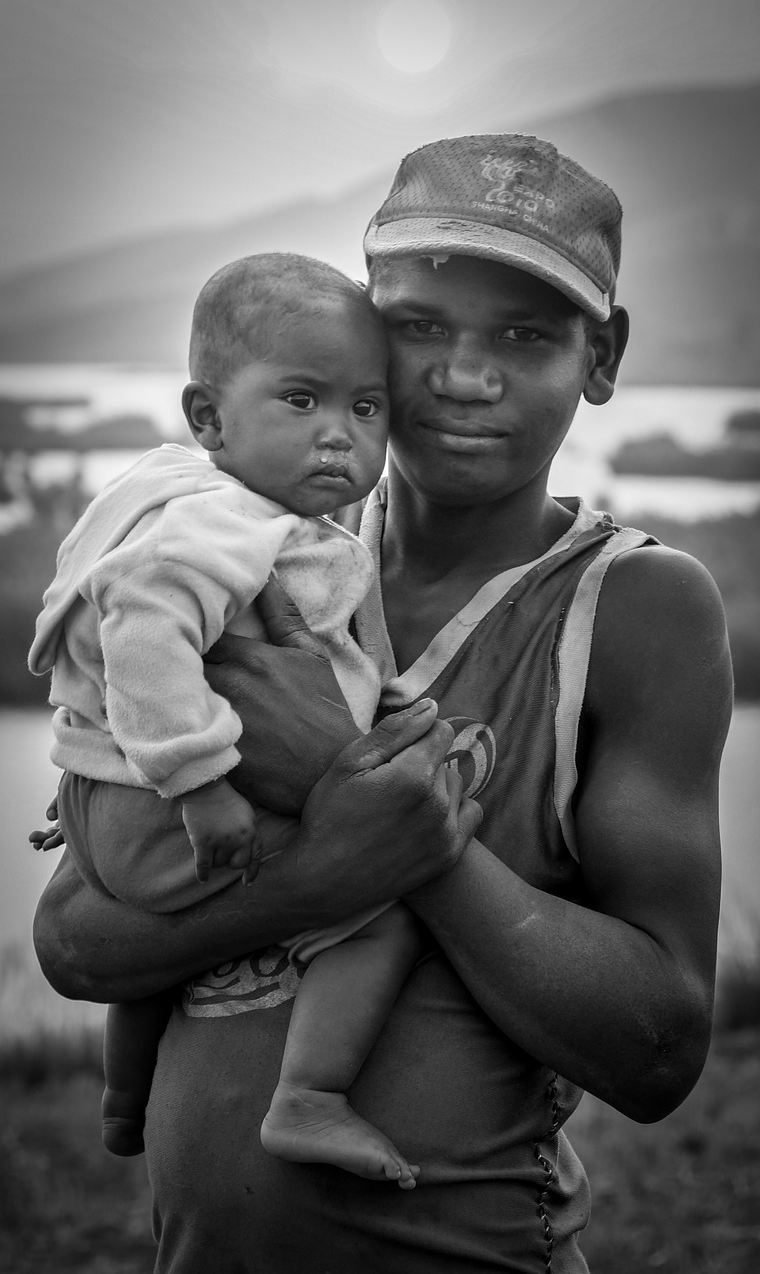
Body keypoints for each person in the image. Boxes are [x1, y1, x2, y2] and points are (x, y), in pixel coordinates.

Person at [31, 134, 733, 1273]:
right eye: (418, 328)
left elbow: (656, 1047)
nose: (464, 376)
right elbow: (72, 940)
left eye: (525, 333)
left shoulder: (634, 608)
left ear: (600, 355)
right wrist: (319, 875)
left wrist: (384, 817)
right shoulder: (242, 562)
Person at [28, 251, 430, 1187]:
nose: (339, 436)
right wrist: (201, 782)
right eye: (301, 401)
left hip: (116, 793)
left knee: (158, 947)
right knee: (381, 911)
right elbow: (143, 626)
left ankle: (126, 1099)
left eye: (365, 409)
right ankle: (309, 1098)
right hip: (169, 799)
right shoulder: (226, 520)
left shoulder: (178, 500)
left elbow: (122, 652)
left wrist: (90, 759)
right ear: (208, 417)